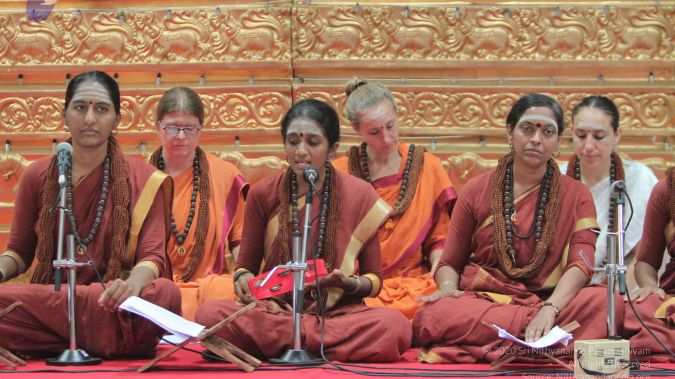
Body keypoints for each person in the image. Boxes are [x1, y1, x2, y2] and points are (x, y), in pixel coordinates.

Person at [195, 99, 411, 362]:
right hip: (277, 311)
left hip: (336, 315)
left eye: (313, 142)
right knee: (209, 314)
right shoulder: (263, 193)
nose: (300, 151)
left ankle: (290, 341)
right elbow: (245, 267)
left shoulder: (360, 194)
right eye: (293, 141)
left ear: (333, 148)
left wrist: (347, 283)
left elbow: (373, 280)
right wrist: (243, 280)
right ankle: (315, 343)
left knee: (394, 327)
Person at [412, 93, 620, 364]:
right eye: (527, 129)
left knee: (606, 301)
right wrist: (448, 286)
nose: (536, 139)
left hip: (551, 301)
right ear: (510, 132)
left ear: (558, 141)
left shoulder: (576, 194)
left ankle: (505, 341)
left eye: (547, 132)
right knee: (434, 314)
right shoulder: (477, 189)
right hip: (485, 301)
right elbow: (450, 262)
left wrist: (549, 309)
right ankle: (540, 342)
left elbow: (581, 265)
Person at [0, 71, 180, 359]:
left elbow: (152, 257)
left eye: (101, 109)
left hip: (112, 301)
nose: (89, 119)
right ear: (65, 115)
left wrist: (130, 286)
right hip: (54, 298)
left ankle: (55, 339)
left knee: (165, 294)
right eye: (80, 107)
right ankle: (101, 340)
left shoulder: (145, 178)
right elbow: (19, 252)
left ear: (117, 119)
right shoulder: (38, 175)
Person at [333, 78, 456, 319]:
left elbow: (439, 238)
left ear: (398, 114)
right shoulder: (341, 173)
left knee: (446, 309)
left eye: (390, 126)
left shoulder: (426, 167)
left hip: (416, 285)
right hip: (361, 288)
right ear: (356, 129)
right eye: (374, 132)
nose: (387, 138)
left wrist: (440, 273)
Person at [150, 87, 247, 321]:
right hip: (157, 287)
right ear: (158, 127)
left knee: (229, 293)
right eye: (172, 127)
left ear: (201, 128)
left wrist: (244, 276)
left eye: (189, 128)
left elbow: (241, 242)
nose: (180, 136)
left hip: (211, 290)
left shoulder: (225, 175)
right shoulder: (141, 178)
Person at [562, 95, 658, 287]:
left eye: (599, 136)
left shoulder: (639, 179)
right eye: (580, 135)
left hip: (623, 287)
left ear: (617, 134)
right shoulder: (557, 178)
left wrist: (613, 295)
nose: (588, 146)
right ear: (571, 132)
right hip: (560, 287)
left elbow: (645, 254)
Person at [622, 167, 675, 361]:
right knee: (631, 311)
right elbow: (646, 262)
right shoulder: (668, 189)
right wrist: (649, 286)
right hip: (672, 302)